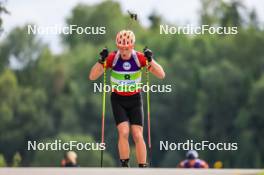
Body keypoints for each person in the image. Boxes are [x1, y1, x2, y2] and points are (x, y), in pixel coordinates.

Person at [89, 30, 165, 167]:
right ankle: (125, 164)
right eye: (121, 48)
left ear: (132, 46)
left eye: (127, 48)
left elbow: (161, 74)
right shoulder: (113, 58)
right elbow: (92, 76)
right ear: (117, 46)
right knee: (123, 132)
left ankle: (142, 166)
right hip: (118, 99)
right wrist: (101, 61)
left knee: (137, 134)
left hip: (135, 99)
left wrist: (150, 60)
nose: (124, 51)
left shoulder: (139, 58)